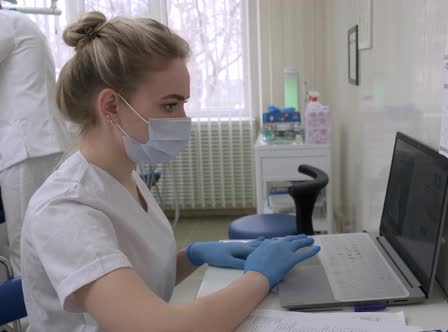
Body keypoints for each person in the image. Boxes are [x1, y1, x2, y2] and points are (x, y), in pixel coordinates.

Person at [20, 11, 320, 332]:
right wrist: (260, 277)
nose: (182, 119)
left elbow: (133, 279)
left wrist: (190, 256)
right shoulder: (65, 210)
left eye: (183, 104)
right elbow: (162, 327)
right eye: (169, 105)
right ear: (110, 106)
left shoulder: (122, 175)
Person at [0, 9, 70, 277]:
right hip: (33, 141)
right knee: (39, 235)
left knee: (25, 239)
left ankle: (31, 316)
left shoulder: (5, 22)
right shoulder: (17, 22)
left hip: (25, 145)